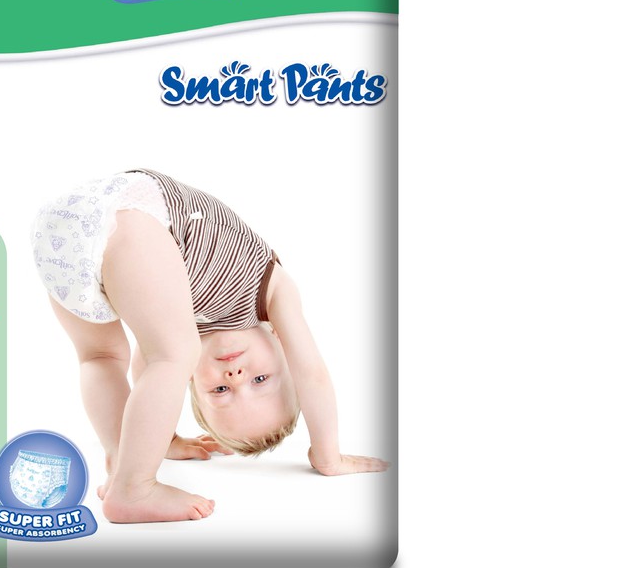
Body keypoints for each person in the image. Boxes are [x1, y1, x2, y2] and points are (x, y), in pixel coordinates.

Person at [31, 169, 389, 524]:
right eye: (260, 380)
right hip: (128, 213)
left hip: (62, 231)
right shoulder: (273, 291)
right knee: (169, 355)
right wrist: (328, 456)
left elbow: (148, 375)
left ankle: (121, 459)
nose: (236, 376)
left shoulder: (178, 321)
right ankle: (133, 488)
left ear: (191, 381)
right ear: (282, 346)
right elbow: (312, 373)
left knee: (100, 357)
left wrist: (163, 438)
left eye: (220, 390)